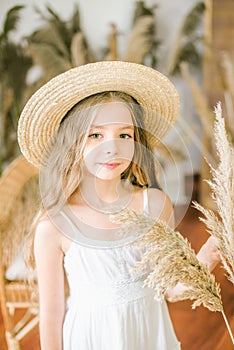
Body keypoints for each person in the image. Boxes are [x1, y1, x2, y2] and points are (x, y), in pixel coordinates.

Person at [17, 61, 220, 350]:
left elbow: (171, 289)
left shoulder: (154, 205)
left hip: (149, 335)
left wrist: (209, 253)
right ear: (73, 144)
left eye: (124, 135)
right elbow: (51, 316)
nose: (112, 147)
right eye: (95, 135)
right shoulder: (55, 225)